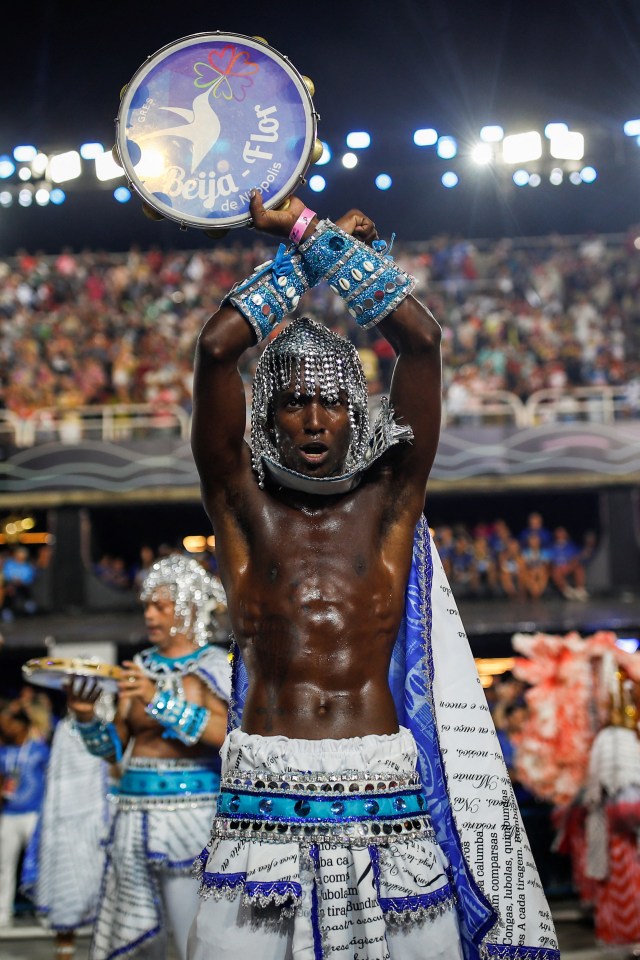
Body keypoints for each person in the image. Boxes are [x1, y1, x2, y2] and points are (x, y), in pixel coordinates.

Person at [188, 193, 558, 959]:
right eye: (292, 404)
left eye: (330, 402)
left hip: (383, 787)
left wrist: (310, 228)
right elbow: (215, 350)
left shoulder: (390, 505)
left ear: (358, 413)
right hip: (265, 787)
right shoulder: (241, 509)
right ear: (267, 417)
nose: (315, 420)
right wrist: (298, 253)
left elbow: (423, 346)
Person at [66, 555, 230, 960]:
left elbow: (227, 736)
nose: (150, 615)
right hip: (132, 818)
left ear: (188, 607)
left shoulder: (213, 665)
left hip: (193, 818)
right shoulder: (137, 668)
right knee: (137, 944)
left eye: (161, 605)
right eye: (146, 606)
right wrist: (87, 719)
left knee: (194, 937)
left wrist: (159, 701)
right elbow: (112, 750)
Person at [30, 709, 111, 960]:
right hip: (64, 818)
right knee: (64, 895)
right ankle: (64, 954)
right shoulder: (65, 729)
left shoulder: (112, 721)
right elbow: (55, 778)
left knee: (111, 903)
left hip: (105, 814)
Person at [0, 706, 50, 927]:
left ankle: (44, 909)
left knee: (40, 863)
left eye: (9, 723)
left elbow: (51, 779)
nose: (5, 728)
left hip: (35, 815)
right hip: (9, 814)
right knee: (4, 864)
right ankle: (2, 912)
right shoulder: (3, 752)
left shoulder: (39, 750)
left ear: (21, 725)